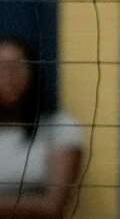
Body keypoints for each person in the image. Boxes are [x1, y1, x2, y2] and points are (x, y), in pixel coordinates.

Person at [0, 36, 84, 219]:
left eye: (16, 66)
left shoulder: (60, 127)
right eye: (1, 67)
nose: (8, 76)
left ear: (33, 71)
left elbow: (52, 207)